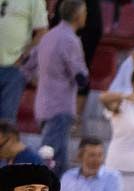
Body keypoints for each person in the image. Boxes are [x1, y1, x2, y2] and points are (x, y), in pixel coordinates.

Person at [32, 0, 88, 177]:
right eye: (85, 12)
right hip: (60, 105)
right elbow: (80, 76)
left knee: (59, 161)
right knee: (48, 156)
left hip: (43, 104)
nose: (86, 16)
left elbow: (28, 65)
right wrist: (84, 77)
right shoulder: (70, 40)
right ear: (78, 16)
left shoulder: (48, 36)